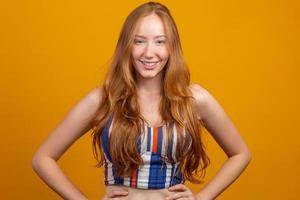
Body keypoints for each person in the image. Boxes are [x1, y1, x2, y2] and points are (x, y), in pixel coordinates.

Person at [32, 2, 251, 200]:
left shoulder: (194, 100)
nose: (149, 52)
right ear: (126, 46)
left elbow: (241, 154)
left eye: (160, 42)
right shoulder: (103, 100)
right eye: (139, 41)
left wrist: (202, 198)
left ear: (172, 47)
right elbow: (43, 158)